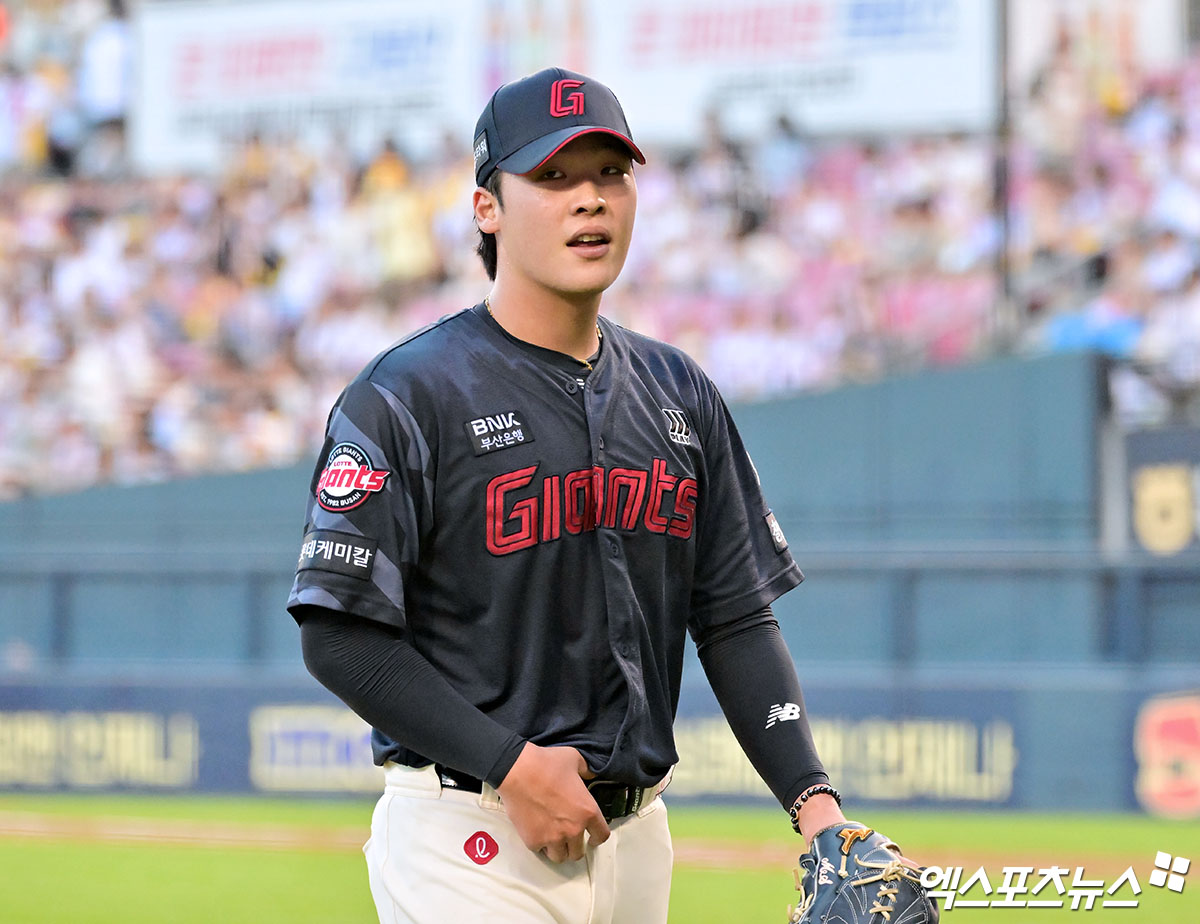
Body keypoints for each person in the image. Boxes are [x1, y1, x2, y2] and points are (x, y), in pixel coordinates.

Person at [288, 67, 844, 923]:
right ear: (488, 207)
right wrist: (508, 762)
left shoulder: (678, 389)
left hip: (638, 837)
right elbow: (338, 634)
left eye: (610, 173)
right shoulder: (407, 393)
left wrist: (817, 810)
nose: (590, 198)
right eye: (552, 176)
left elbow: (735, 618)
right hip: (469, 830)